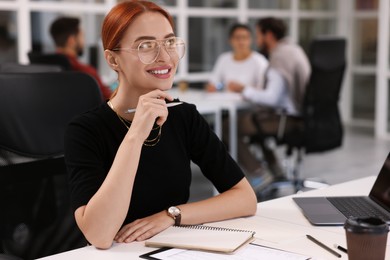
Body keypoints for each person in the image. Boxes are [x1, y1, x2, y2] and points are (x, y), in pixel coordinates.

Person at [64, 0, 257, 250]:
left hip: (172, 249)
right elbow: (99, 235)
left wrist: (171, 215)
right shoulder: (84, 130)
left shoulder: (183, 116)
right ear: (113, 60)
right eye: (145, 46)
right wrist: (135, 135)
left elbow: (245, 199)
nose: (165, 57)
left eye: (169, 42)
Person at [228, 17, 311, 182]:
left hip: (287, 120)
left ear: (269, 35)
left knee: (228, 126)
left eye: (258, 35)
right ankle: (277, 171)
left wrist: (244, 89)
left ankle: (259, 174)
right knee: (255, 127)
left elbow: (272, 98)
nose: (257, 40)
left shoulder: (280, 57)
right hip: (303, 117)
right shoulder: (293, 50)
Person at [50, 17, 112, 100]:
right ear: (71, 40)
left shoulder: (46, 67)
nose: (84, 41)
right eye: (82, 36)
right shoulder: (86, 72)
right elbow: (110, 98)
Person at [206, 23, 268, 93]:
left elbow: (264, 89)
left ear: (251, 40)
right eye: (237, 38)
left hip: (249, 103)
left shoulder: (259, 61)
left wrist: (243, 89)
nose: (241, 42)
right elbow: (214, 83)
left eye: (245, 38)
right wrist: (217, 87)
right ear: (230, 40)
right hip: (225, 101)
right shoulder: (224, 59)